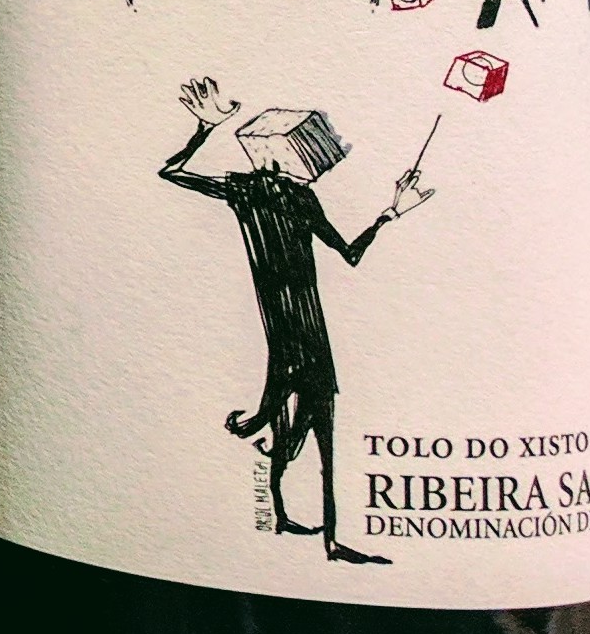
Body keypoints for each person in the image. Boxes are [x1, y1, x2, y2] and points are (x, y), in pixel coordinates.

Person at [159, 75, 426, 564]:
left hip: (285, 336)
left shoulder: (246, 191)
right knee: (318, 432)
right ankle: (326, 538)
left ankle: (285, 516)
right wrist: (389, 214)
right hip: (307, 333)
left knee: (291, 428)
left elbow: (171, 171)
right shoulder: (288, 196)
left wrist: (205, 129)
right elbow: (350, 253)